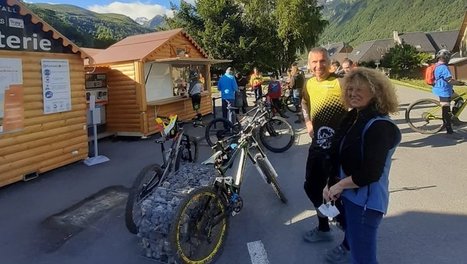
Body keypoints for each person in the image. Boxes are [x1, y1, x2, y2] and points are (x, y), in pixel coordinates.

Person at [323, 67, 401, 264]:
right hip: (352, 196)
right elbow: (341, 157)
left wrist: (339, 185)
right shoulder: (354, 117)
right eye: (350, 89)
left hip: (366, 203)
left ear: (375, 92)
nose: (352, 94)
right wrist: (331, 182)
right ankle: (347, 245)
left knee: (363, 258)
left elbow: (370, 173)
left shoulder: (380, 126)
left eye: (359, 90)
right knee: (356, 243)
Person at [301, 47, 347, 244]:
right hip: (317, 147)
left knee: (338, 193)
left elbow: (358, 108)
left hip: (339, 150)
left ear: (329, 62)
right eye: (314, 62)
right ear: (309, 64)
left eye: (322, 61)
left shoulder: (340, 82)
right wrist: (308, 122)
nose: (318, 66)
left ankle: (348, 239)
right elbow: (304, 102)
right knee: (311, 187)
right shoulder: (309, 84)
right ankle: (324, 226)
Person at [431, 49, 466, 137]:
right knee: (446, 110)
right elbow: (449, 80)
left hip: (446, 89)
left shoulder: (437, 65)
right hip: (443, 90)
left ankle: (453, 118)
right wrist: (461, 83)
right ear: (447, 58)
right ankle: (449, 129)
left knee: (459, 100)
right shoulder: (443, 67)